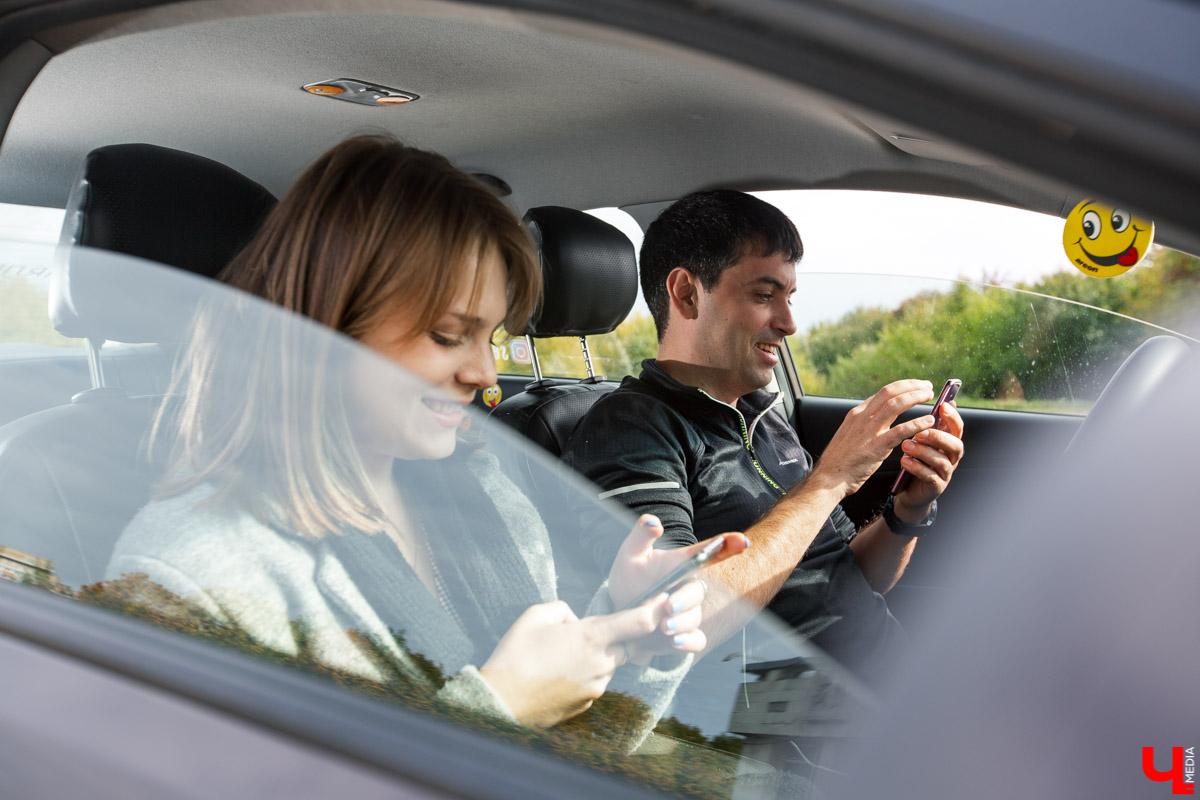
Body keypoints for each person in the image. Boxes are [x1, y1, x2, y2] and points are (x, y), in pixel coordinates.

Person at [106, 136, 746, 734]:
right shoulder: (187, 571)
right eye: (447, 335)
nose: (485, 375)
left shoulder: (484, 490)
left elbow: (568, 750)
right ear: (324, 327)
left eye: (490, 337)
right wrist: (495, 713)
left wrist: (628, 634)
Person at [561, 190, 964, 685]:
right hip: (793, 737)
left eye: (789, 297)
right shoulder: (629, 429)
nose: (789, 322)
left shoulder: (763, 414)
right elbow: (676, 619)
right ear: (687, 293)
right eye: (763, 295)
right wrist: (829, 479)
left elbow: (845, 579)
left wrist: (908, 510)